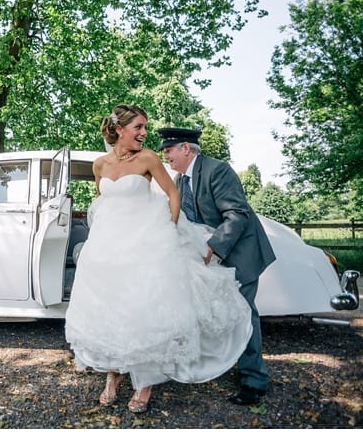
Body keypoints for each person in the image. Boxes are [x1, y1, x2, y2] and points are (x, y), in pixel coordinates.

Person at [65, 104, 251, 411]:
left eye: (145, 127)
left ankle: (145, 383)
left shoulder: (148, 158)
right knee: (111, 309)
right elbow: (102, 201)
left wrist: (169, 229)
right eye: (138, 127)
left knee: (141, 310)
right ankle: (112, 376)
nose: (144, 133)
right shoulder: (100, 165)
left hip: (145, 243)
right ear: (119, 129)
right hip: (109, 248)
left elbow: (172, 194)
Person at [161, 125, 276, 403]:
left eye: (169, 150)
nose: (165, 156)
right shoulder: (179, 180)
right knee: (217, 311)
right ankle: (221, 363)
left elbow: (237, 214)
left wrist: (212, 247)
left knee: (243, 313)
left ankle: (254, 381)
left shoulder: (217, 170)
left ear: (185, 148)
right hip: (212, 256)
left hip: (241, 252)